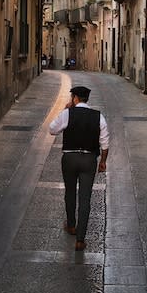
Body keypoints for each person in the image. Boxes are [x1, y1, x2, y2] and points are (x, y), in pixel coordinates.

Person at [49, 85, 109, 251]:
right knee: (85, 198)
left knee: (70, 192)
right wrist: (103, 162)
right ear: (86, 99)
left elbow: (52, 130)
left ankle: (71, 226)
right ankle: (80, 240)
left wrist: (64, 110)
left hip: (69, 158)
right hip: (89, 159)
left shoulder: (68, 113)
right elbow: (105, 144)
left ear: (75, 98)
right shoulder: (98, 117)